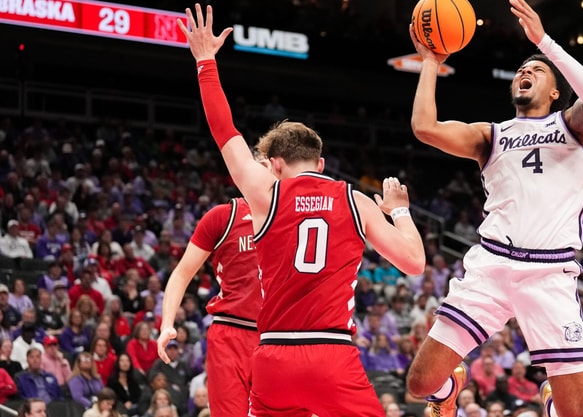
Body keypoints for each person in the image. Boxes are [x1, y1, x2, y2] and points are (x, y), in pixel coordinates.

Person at [177, 4, 426, 415]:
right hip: (332, 353)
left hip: (273, 356)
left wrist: (205, 62)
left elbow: (224, 131)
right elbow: (415, 263)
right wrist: (399, 211)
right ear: (321, 163)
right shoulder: (356, 201)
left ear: (275, 165)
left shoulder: (265, 194)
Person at [404, 0, 583, 415]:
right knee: (418, 384)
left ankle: (552, 402)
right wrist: (430, 61)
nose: (524, 72)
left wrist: (544, 43)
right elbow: (424, 127)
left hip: (549, 275)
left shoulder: (571, 126)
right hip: (493, 267)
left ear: (555, 92)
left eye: (536, 71)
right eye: (521, 70)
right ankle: (449, 390)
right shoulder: (490, 136)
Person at [157, 196, 260, 417]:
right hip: (231, 332)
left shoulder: (294, 213)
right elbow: (182, 273)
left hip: (278, 334)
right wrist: (167, 324)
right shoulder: (223, 216)